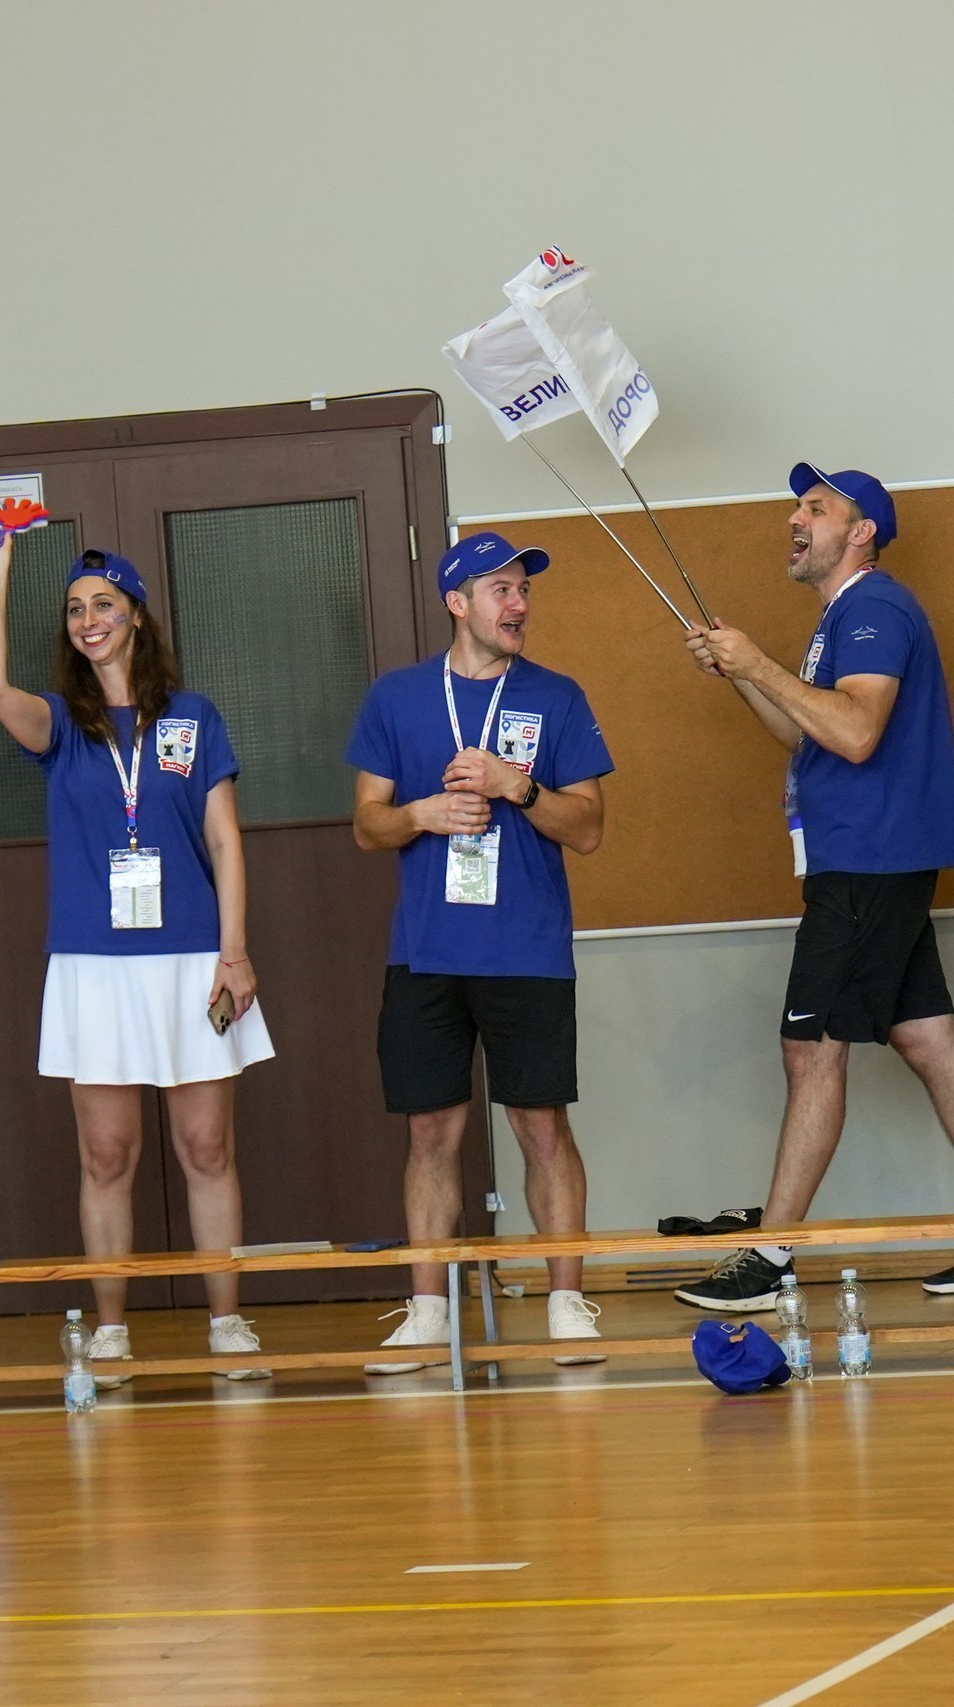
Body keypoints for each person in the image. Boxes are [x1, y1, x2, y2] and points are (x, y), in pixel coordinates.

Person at [675, 464, 954, 1310]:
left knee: (810, 1047)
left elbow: (858, 730)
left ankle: (770, 1256)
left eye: (816, 508)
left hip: (869, 861)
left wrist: (759, 661)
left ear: (862, 530)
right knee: (929, 1038)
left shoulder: (873, 607)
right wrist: (745, 674)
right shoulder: (842, 617)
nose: (794, 520)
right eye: (797, 507)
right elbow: (810, 734)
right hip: (872, 857)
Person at [0, 536, 274, 1384]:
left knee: (207, 1145)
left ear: (136, 614)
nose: (89, 620)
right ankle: (110, 1331)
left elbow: (224, 838)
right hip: (94, 965)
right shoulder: (63, 725)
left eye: (104, 604)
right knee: (107, 1153)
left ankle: (227, 1323)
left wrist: (235, 950)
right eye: (75, 609)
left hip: (191, 958)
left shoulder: (194, 717)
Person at [348, 530, 612, 1370]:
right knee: (431, 1132)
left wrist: (518, 786)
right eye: (500, 589)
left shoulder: (559, 697)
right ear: (457, 601)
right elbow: (367, 823)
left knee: (541, 1124)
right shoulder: (396, 698)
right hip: (425, 951)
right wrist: (420, 816)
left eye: (523, 589)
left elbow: (591, 828)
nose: (519, 603)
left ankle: (567, 1302)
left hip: (527, 948)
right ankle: (430, 1309)